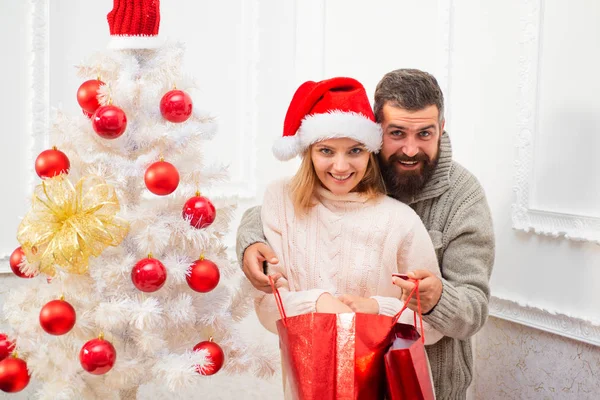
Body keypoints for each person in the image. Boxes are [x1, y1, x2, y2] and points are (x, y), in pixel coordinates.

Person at [237, 69, 495, 399]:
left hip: (426, 380)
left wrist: (430, 300)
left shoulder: (458, 198)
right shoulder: (345, 170)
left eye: (425, 134)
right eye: (398, 133)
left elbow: (472, 309)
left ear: (441, 129)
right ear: (378, 132)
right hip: (322, 385)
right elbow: (282, 213)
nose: (411, 150)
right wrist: (250, 239)